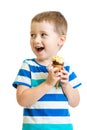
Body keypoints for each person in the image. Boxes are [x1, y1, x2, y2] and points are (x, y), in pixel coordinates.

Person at [12, 11, 82, 130]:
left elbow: (75, 102)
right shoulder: (28, 66)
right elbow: (22, 100)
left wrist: (66, 85)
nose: (36, 40)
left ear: (60, 40)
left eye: (43, 34)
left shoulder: (66, 68)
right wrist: (48, 83)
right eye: (32, 35)